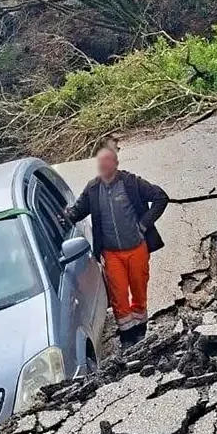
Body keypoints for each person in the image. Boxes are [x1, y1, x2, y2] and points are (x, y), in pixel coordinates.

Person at [63, 147, 169, 348]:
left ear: (116, 164)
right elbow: (76, 213)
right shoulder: (93, 190)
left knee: (139, 291)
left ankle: (141, 331)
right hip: (111, 254)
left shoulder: (131, 183)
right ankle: (127, 337)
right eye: (101, 163)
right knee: (119, 296)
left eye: (108, 162)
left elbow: (160, 197)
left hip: (137, 249)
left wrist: (144, 224)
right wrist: (61, 216)